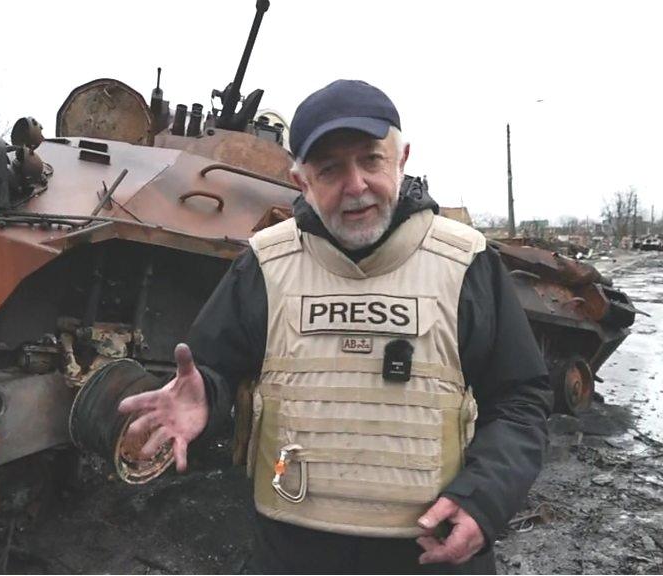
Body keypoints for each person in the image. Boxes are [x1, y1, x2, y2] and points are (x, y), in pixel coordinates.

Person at [119, 79, 551, 574]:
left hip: (431, 554)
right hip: (291, 556)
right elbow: (211, 371)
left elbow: (520, 399)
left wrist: (485, 500)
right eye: (329, 169)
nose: (355, 185)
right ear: (301, 180)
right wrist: (208, 396)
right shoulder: (264, 265)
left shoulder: (466, 263)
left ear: (402, 158)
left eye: (371, 160)